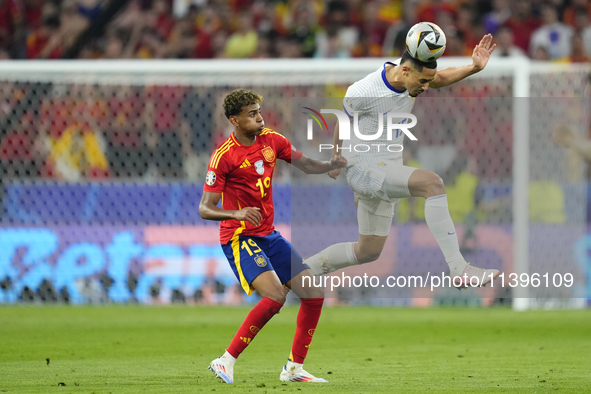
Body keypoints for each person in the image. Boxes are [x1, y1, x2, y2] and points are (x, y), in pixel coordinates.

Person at [304, 31, 500, 289]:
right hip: (364, 166)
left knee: (368, 251)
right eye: (423, 80)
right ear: (406, 70)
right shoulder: (364, 90)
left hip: (387, 166)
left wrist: (474, 68)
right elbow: (343, 121)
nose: (427, 86)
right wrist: (335, 159)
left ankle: (299, 271)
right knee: (433, 184)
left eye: (428, 80)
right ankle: (459, 268)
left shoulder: (412, 80)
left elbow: (440, 78)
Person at [199, 89, 347, 384]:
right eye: (252, 113)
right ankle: (225, 361)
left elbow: (305, 163)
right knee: (276, 296)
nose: (259, 116)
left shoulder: (272, 140)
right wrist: (236, 214)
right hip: (240, 237)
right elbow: (205, 208)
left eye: (259, 111)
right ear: (235, 120)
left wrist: (329, 166)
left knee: (314, 294)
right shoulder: (223, 156)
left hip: (267, 234)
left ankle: (294, 369)